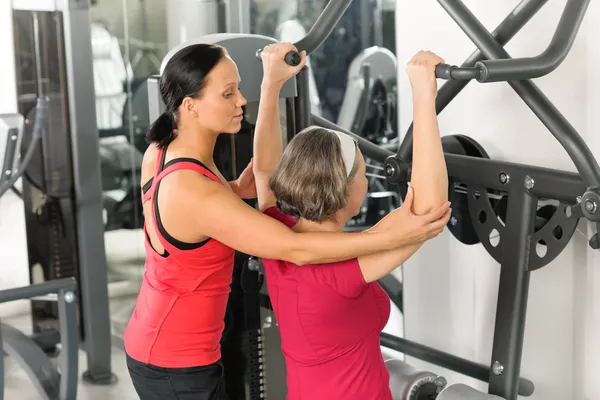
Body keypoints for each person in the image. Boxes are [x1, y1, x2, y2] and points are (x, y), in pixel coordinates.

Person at [123, 41, 450, 400]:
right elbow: (296, 247)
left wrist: (272, 83)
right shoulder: (203, 196)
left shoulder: (164, 150)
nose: (240, 100)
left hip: (161, 338)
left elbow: (263, 171)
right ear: (190, 106)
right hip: (176, 360)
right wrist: (395, 235)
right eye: (228, 93)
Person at [254, 44, 450, 400]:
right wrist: (424, 96)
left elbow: (264, 169)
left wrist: (272, 83)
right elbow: (430, 210)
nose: (367, 177)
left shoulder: (274, 234)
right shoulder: (342, 270)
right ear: (345, 192)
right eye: (362, 171)